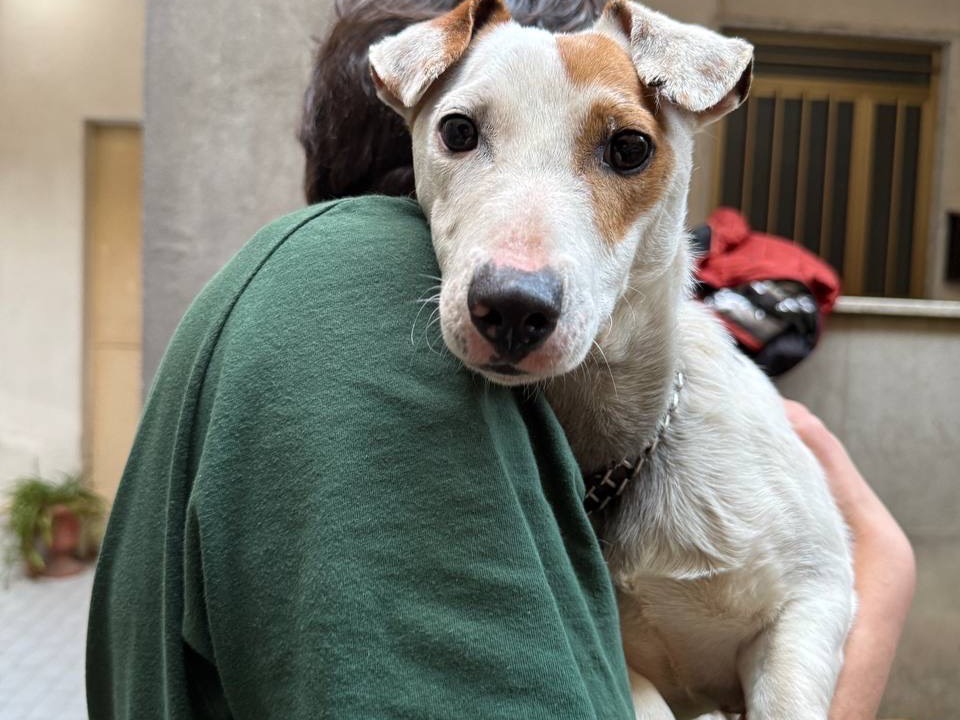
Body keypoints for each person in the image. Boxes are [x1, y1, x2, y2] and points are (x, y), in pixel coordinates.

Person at [86, 1, 915, 718]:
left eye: (623, 151)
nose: (520, 276)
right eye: (464, 135)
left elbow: (804, 590)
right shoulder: (344, 308)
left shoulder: (710, 444)